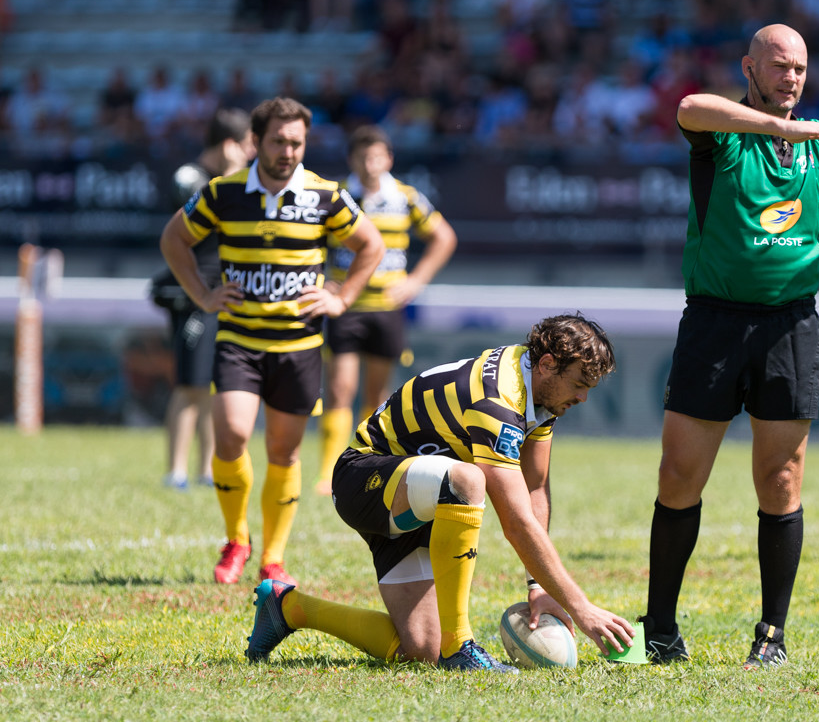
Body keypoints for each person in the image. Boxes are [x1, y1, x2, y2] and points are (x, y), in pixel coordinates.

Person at [641, 24, 819, 668]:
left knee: (781, 479)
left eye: (799, 68)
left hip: (790, 325)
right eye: (779, 66)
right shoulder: (723, 133)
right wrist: (780, 129)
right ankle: (659, 627)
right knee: (678, 475)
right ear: (750, 67)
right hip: (714, 322)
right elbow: (688, 107)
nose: (791, 78)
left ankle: (770, 634)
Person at [243, 314, 635, 672]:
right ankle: (459, 645)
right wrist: (580, 608)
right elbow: (516, 522)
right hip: (364, 478)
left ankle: (288, 607)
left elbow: (534, 489)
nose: (583, 398)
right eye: (580, 385)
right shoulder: (497, 398)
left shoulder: (540, 395)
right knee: (467, 480)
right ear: (548, 364)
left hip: (425, 499)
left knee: (419, 650)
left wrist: (540, 588)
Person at [159, 96, 385, 586]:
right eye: (278, 141)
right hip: (239, 340)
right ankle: (237, 538)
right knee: (233, 434)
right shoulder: (223, 192)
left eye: (296, 142)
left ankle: (273, 557)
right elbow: (174, 239)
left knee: (284, 453)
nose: (288, 151)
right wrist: (201, 294)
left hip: (298, 346)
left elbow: (372, 245)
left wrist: (342, 298)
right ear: (255, 142)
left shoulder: (324, 195)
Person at [315, 125, 458, 496]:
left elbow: (444, 237)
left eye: (376, 156)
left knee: (377, 394)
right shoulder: (339, 197)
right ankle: (329, 471)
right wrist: (319, 280)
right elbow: (308, 239)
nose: (370, 163)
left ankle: (362, 469)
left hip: (386, 308)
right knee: (340, 387)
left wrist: (415, 282)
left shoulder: (406, 198)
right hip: (347, 305)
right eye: (362, 157)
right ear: (352, 160)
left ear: (389, 159)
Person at [159, 108, 255, 491]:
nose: (253, 153)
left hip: (227, 294)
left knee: (217, 384)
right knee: (190, 383)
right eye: (249, 144)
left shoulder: (239, 180)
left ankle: (206, 470)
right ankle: (176, 471)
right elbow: (204, 225)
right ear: (231, 144)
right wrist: (233, 176)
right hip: (193, 293)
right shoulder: (190, 178)